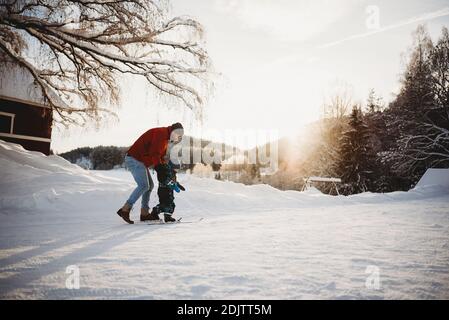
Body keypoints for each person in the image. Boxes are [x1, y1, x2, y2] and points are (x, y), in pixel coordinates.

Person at [117, 122, 184, 224]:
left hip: (140, 160)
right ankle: (125, 209)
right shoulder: (161, 134)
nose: (176, 140)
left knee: (150, 186)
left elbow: (160, 157)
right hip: (134, 159)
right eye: (178, 136)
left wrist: (165, 170)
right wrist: (159, 168)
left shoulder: (165, 138)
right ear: (174, 132)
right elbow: (154, 153)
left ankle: (144, 213)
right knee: (144, 185)